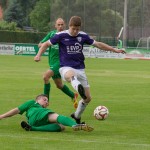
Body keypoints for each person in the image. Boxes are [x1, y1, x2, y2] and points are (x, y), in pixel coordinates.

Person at [34, 16, 126, 124]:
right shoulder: (61, 35)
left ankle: (77, 116)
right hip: (65, 67)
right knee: (70, 75)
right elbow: (45, 44)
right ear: (69, 26)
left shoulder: (83, 36)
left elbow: (98, 44)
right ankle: (78, 88)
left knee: (87, 98)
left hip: (80, 69)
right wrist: (38, 55)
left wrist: (114, 49)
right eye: (73, 29)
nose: (75, 31)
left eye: (77, 29)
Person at [38, 18, 78, 109]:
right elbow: (40, 44)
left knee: (45, 77)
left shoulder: (67, 35)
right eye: (58, 24)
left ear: (65, 25)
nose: (60, 26)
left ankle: (45, 103)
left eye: (62, 24)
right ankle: (73, 95)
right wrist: (49, 43)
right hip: (52, 63)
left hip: (61, 62)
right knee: (59, 85)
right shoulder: (52, 34)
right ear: (55, 26)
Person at [0, 94, 93, 132]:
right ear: (38, 99)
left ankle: (32, 128)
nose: (46, 102)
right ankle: (75, 125)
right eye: (45, 100)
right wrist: (2, 116)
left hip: (33, 121)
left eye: (47, 101)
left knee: (61, 127)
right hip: (37, 114)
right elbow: (16, 110)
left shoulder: (40, 108)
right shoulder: (32, 103)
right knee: (57, 117)